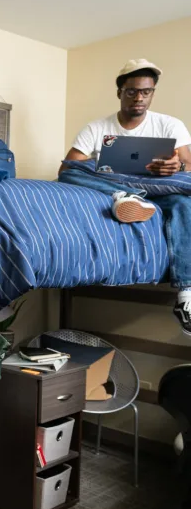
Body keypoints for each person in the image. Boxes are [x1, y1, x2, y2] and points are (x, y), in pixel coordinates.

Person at [61, 59, 191, 335]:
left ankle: (186, 296)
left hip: (161, 188)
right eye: (132, 91)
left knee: (183, 202)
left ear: (153, 92)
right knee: (70, 172)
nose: (140, 97)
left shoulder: (170, 125)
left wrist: (176, 166)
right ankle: (126, 195)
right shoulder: (97, 128)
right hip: (115, 186)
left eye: (147, 91)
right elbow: (68, 167)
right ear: (119, 92)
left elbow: (189, 166)